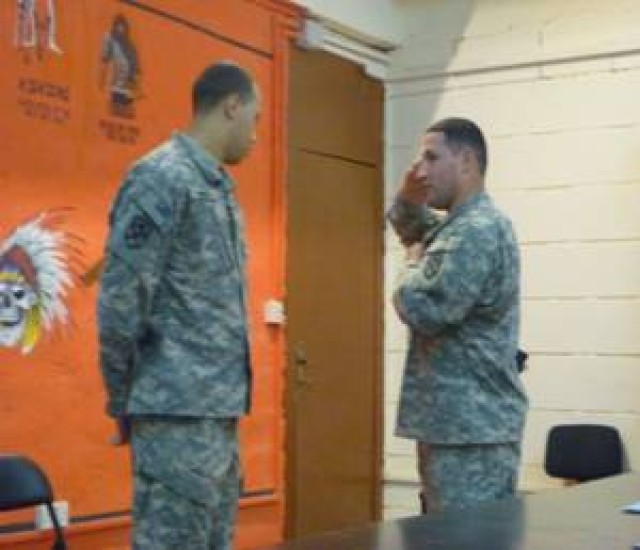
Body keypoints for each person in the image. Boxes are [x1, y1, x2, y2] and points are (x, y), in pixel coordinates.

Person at [97, 61, 260, 549]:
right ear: (232, 106)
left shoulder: (217, 188)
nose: (256, 134)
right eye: (255, 118)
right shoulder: (160, 178)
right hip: (173, 419)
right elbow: (121, 301)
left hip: (216, 420)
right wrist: (122, 398)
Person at [387, 117, 528, 513]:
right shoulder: (456, 226)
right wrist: (408, 198)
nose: (422, 170)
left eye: (432, 158)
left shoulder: (477, 230)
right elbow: (410, 225)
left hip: (472, 433)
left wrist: (411, 262)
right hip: (453, 428)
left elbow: (423, 307)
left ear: (466, 161)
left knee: (463, 541)